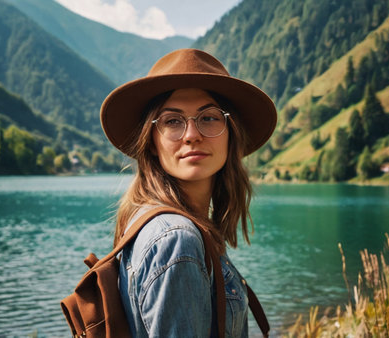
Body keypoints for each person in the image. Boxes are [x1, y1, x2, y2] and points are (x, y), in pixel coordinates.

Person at [100, 48, 277, 337]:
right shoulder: (176, 240)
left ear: (230, 133)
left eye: (209, 117)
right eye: (172, 121)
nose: (192, 134)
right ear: (152, 142)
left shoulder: (160, 224)